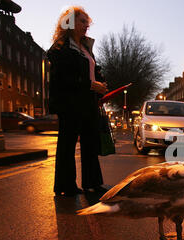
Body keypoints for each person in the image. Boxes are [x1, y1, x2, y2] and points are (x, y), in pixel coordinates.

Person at [48, 6, 108, 196]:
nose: (86, 26)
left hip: (88, 102)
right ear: (70, 23)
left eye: (87, 22)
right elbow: (65, 78)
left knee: (90, 143)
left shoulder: (85, 47)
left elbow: (92, 71)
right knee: (67, 144)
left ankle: (92, 183)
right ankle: (65, 186)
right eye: (82, 21)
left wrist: (101, 84)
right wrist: (92, 85)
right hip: (70, 103)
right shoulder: (61, 47)